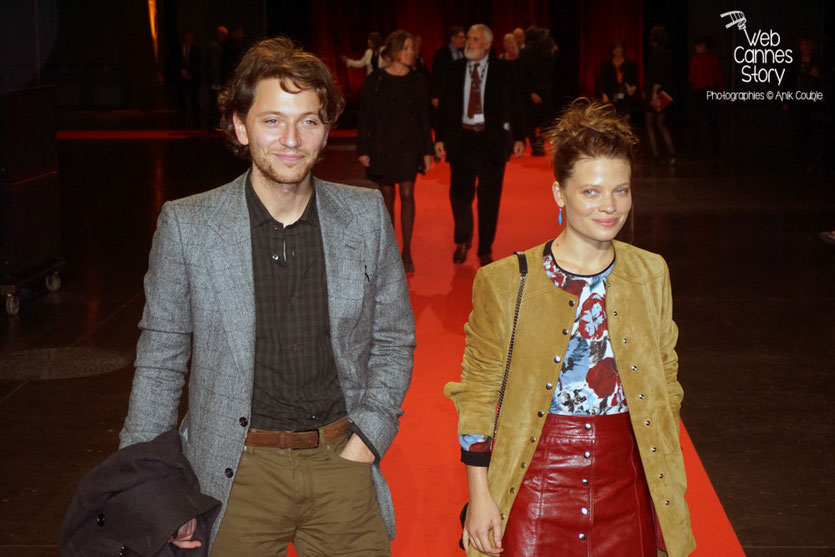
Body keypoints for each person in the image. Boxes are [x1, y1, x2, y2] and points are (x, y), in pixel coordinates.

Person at [119, 36, 416, 555]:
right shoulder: (189, 226)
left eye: (309, 120)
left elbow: (393, 338)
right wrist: (152, 492)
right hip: (235, 474)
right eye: (272, 119)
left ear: (326, 132)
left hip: (342, 463)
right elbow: (160, 365)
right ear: (240, 125)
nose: (292, 139)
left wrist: (370, 435)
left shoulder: (365, 216)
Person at [444, 99, 695, 557]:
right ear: (560, 193)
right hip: (536, 481)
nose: (610, 207)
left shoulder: (651, 272)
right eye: (591, 192)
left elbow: (667, 375)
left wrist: (663, 469)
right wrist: (481, 497)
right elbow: (478, 393)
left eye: (621, 191)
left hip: (627, 479)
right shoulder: (503, 282)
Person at [434, 24, 525, 267]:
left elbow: (515, 102)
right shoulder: (454, 69)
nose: (469, 43)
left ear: (487, 45)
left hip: (491, 141)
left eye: (475, 39)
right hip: (462, 139)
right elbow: (445, 107)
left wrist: (520, 137)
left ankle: (485, 249)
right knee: (459, 196)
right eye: (468, 39)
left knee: (489, 200)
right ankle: (463, 240)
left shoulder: (503, 69)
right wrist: (440, 138)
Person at [357, 30, 434, 273]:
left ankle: (407, 251)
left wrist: (427, 150)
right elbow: (364, 117)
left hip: (409, 145)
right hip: (382, 145)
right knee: (387, 196)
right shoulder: (376, 80)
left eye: (413, 49)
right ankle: (390, 251)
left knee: (408, 193)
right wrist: (363, 148)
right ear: (394, 51)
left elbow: (424, 118)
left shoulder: (418, 81)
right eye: (407, 48)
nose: (412, 53)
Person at [644, 25, 676, 164]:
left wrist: (653, 93)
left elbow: (656, 75)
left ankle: (656, 154)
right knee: (661, 122)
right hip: (667, 91)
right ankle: (671, 151)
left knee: (650, 123)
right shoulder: (668, 53)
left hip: (656, 91)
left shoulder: (655, 53)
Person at [687, 36, 724, 159]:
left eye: (698, 45)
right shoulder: (714, 59)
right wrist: (722, 94)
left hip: (700, 92)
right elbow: (720, 78)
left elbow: (692, 78)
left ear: (704, 46)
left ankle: (694, 148)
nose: (696, 48)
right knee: (712, 122)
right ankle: (715, 149)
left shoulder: (696, 60)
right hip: (711, 92)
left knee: (697, 122)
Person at [598, 40, 639, 121]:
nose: (619, 50)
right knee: (612, 121)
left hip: (625, 98)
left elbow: (635, 81)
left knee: (626, 121)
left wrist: (634, 87)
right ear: (612, 51)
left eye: (620, 48)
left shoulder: (629, 64)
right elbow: (601, 82)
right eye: (616, 48)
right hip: (611, 97)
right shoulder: (607, 65)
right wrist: (603, 94)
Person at [430, 25, 466, 110]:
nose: (464, 40)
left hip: (462, 95)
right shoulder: (441, 53)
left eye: (464, 37)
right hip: (446, 95)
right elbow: (436, 76)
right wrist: (435, 96)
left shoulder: (466, 53)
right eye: (461, 37)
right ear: (453, 38)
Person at [177, 30, 202, 128]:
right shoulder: (178, 49)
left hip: (193, 79)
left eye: (191, 36)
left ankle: (196, 124)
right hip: (181, 80)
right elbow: (176, 63)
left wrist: (190, 74)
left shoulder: (197, 49)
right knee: (182, 102)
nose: (190, 38)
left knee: (194, 101)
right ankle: (182, 123)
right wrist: (182, 71)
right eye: (188, 36)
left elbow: (198, 64)